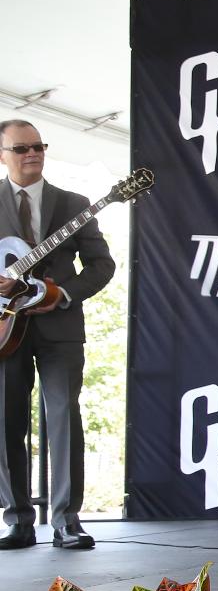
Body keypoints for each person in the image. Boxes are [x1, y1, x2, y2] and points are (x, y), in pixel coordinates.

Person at [0, 120, 116, 551]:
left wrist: (64, 293)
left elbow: (102, 266)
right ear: (3, 154)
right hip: (5, 328)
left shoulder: (75, 204)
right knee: (6, 421)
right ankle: (18, 521)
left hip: (60, 326)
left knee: (64, 417)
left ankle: (67, 521)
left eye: (39, 146)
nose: (32, 154)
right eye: (21, 148)